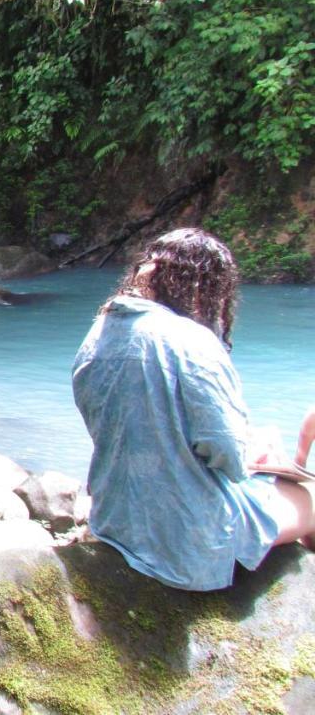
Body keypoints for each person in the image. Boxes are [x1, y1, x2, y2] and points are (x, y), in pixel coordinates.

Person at [72, 228, 315, 592]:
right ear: (201, 288)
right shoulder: (191, 340)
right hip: (186, 542)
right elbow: (229, 458)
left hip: (114, 519)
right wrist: (256, 455)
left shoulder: (96, 335)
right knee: (309, 498)